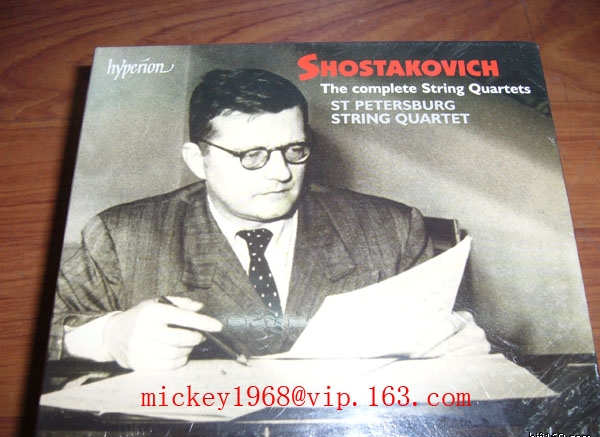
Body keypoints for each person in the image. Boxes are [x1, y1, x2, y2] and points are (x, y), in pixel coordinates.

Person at [50, 68, 490, 371]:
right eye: (252, 156)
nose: (281, 173)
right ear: (197, 160)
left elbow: (447, 337)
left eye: (294, 150)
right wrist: (107, 336)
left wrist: (459, 342)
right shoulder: (124, 236)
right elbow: (40, 331)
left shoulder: (390, 229)